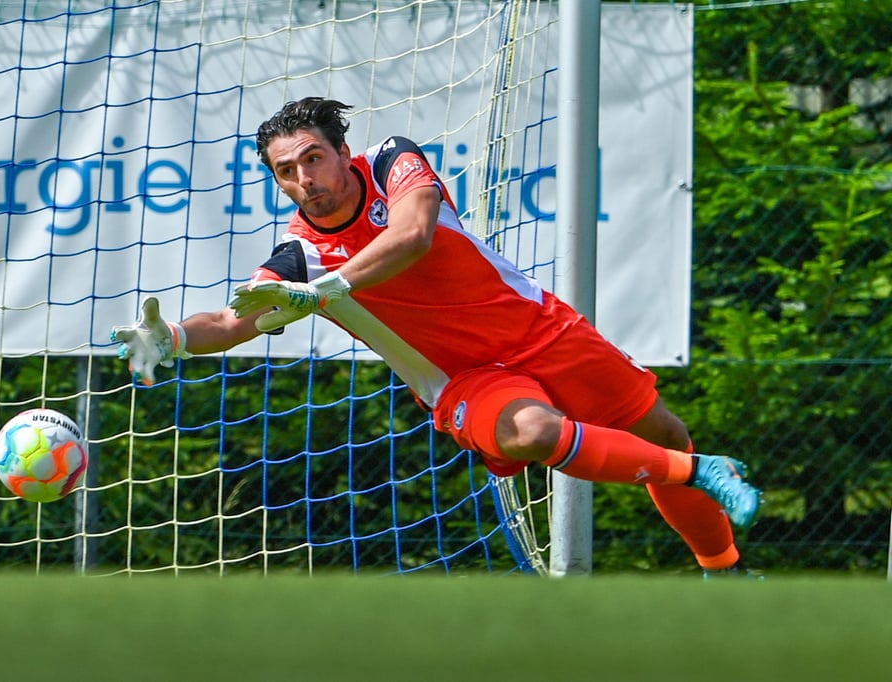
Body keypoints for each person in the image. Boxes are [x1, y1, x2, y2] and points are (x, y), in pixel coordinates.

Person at [112, 96, 762, 577]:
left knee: (665, 435)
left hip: (539, 329)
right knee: (533, 433)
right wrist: (172, 335)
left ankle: (726, 571)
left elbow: (414, 234)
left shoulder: (394, 161)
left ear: (343, 154)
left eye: (314, 158)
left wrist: (330, 289)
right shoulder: (299, 257)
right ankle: (702, 473)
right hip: (463, 381)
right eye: (288, 170)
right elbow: (230, 321)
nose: (306, 178)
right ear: (278, 181)